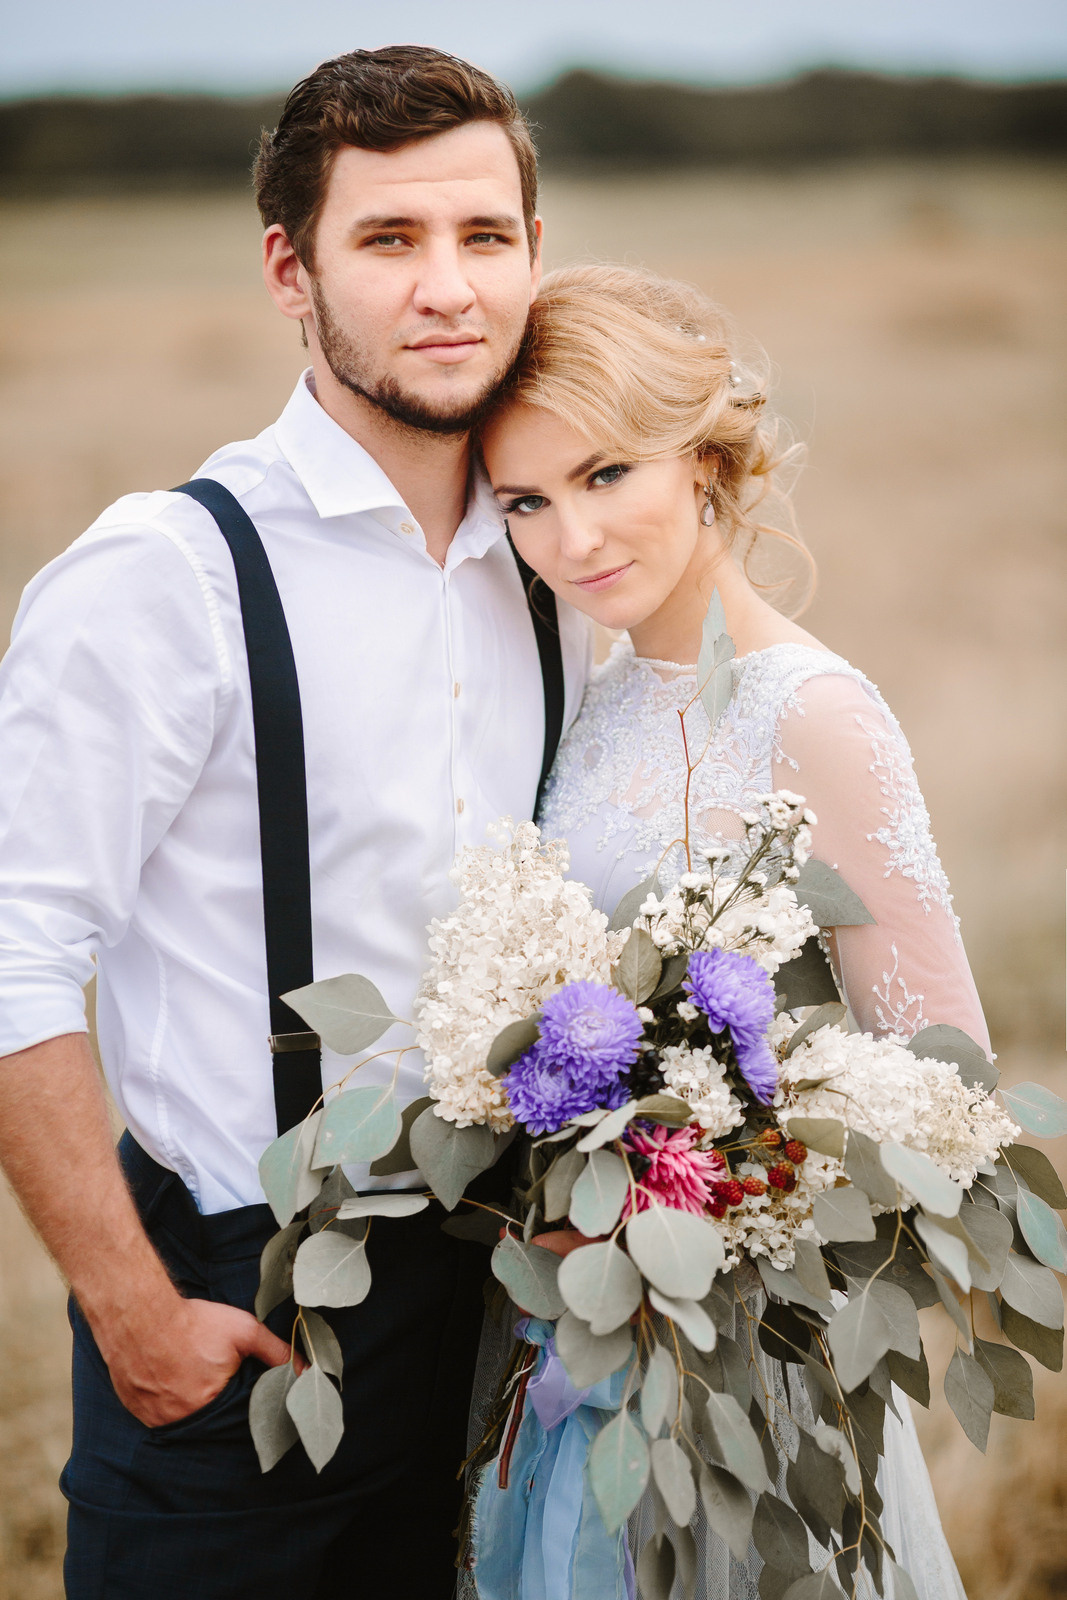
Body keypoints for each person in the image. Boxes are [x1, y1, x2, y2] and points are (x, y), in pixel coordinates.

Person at [0, 46, 591, 1600]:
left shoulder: (558, 562)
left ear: (536, 251)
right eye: (389, 241)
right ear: (292, 267)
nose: (448, 287)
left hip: (521, 1308)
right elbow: (12, 952)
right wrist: (130, 1308)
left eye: (485, 237)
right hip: (239, 1309)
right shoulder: (165, 577)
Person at [476, 263, 983, 1596]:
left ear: (702, 459)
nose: (570, 540)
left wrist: (685, 1198)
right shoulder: (585, 700)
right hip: (562, 1326)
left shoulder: (811, 714)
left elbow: (945, 1092)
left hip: (739, 1351)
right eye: (525, 500)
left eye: (604, 476)